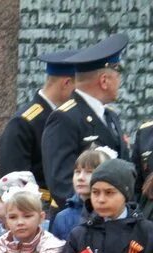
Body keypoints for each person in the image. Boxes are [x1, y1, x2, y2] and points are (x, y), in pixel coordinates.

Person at [41, 34, 130, 209]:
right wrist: (96, 212)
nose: (119, 82)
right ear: (104, 80)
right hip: (82, 223)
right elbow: (61, 183)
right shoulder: (64, 118)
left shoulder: (110, 116)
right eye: (117, 75)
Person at [0, 49, 79, 205]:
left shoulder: (69, 118)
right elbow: (14, 184)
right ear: (67, 83)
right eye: (79, 86)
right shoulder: (23, 123)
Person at [52, 148, 109, 240]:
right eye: (77, 172)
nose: (80, 178)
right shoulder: (62, 217)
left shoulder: (113, 214)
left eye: (89, 172)